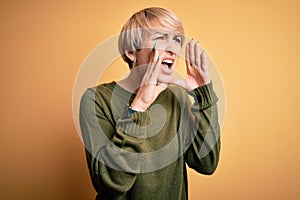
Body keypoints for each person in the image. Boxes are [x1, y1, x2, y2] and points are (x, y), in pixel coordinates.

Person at [79, 7, 221, 200]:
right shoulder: (96, 100)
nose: (172, 48)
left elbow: (206, 163)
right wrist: (139, 107)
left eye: (177, 39)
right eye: (161, 38)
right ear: (131, 52)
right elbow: (113, 183)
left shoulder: (177, 97)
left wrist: (203, 97)